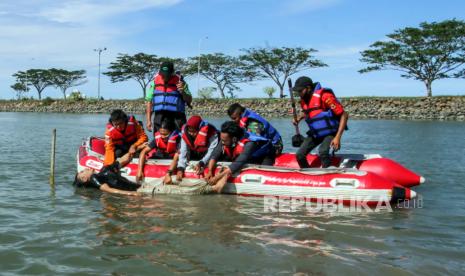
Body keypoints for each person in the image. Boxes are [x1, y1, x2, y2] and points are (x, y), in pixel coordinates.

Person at [292, 76, 349, 168]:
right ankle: (308, 174)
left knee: (323, 151)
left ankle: (328, 173)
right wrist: (299, 118)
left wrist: (338, 137)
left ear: (308, 88)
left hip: (330, 132)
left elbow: (344, 115)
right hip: (316, 133)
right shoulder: (303, 101)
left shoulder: (325, 96)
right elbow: (309, 112)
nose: (298, 93)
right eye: (297, 91)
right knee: (299, 155)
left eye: (300, 90)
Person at [206, 121, 273, 193]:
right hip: (243, 155)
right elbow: (215, 154)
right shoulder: (225, 138)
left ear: (234, 139)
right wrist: (210, 171)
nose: (222, 142)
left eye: (224, 141)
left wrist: (216, 178)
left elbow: (238, 163)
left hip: (263, 156)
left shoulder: (250, 143)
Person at [145, 61, 192, 132]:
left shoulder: (181, 82)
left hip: (177, 117)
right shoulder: (154, 82)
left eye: (167, 75)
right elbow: (149, 101)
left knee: (178, 139)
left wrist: (183, 92)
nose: (165, 77)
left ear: (172, 72)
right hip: (160, 116)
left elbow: (189, 100)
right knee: (159, 139)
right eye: (163, 74)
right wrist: (148, 121)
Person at [136, 119, 181, 184]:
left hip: (172, 158)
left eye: (165, 134)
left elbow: (176, 158)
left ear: (172, 132)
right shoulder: (158, 138)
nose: (162, 137)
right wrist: (139, 171)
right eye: (161, 134)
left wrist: (168, 174)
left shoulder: (178, 140)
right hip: (160, 156)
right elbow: (143, 152)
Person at [176, 115, 219, 183]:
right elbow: (183, 151)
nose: (191, 134)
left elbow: (212, 151)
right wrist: (180, 168)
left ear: (200, 128)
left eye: (194, 131)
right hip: (194, 151)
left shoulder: (211, 132)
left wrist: (201, 163)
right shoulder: (185, 132)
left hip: (207, 152)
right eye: (189, 131)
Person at [74, 153, 140, 196]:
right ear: (84, 179)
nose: (85, 168)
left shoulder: (104, 170)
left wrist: (134, 149)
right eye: (82, 172)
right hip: (136, 190)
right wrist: (131, 193)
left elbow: (122, 160)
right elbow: (109, 190)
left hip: (138, 187)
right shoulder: (93, 178)